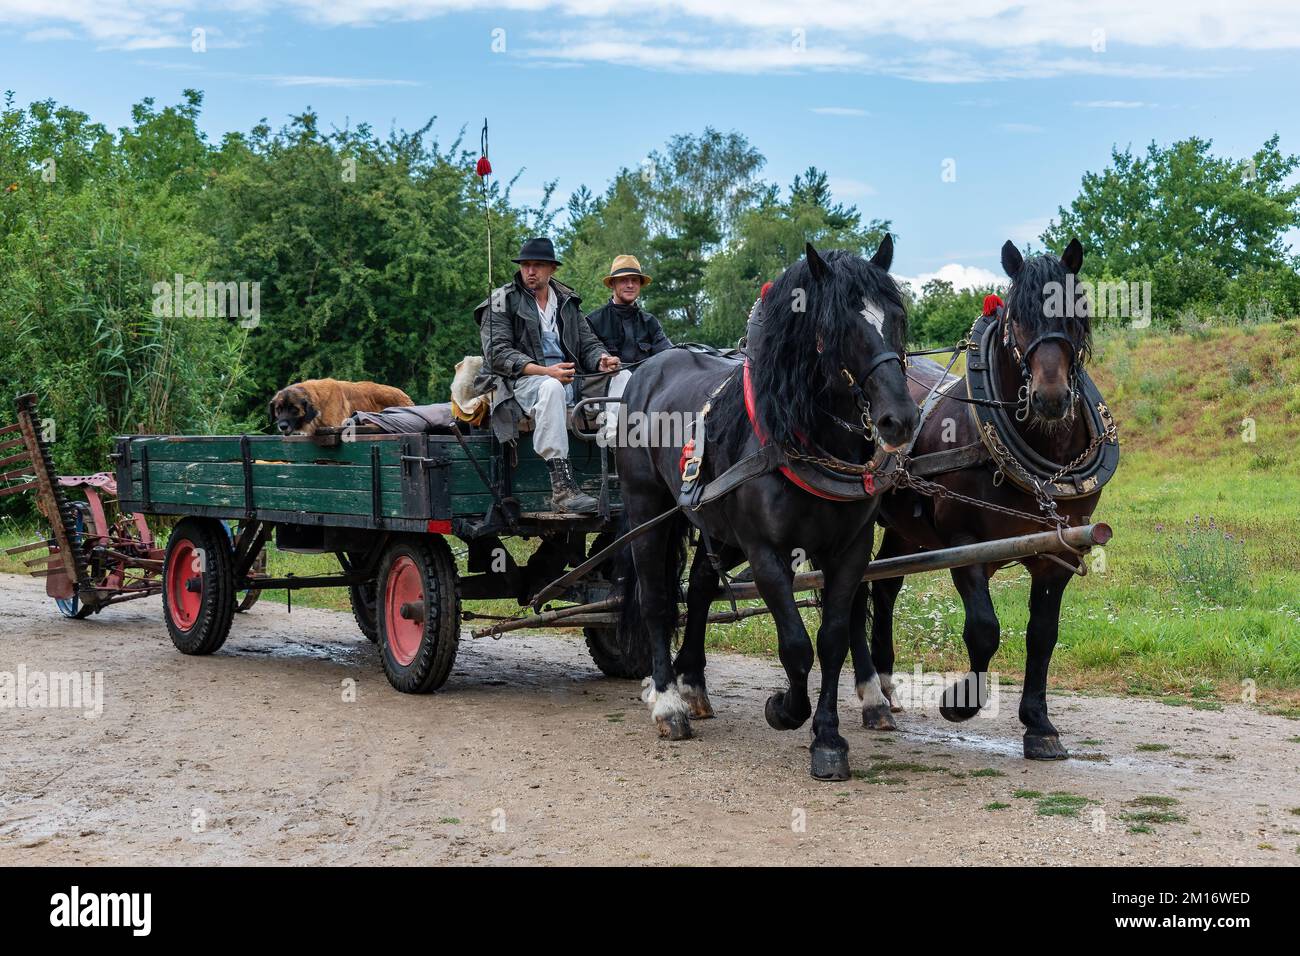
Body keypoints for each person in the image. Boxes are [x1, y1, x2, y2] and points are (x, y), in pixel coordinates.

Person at [474, 237, 626, 514]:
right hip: (522, 383)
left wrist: (602, 360)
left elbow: (588, 343)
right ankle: (563, 489)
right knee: (551, 388)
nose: (531, 271)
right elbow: (496, 354)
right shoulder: (500, 300)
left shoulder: (567, 301)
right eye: (526, 265)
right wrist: (546, 371)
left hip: (570, 380)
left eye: (538, 265)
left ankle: (622, 462)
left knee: (624, 378)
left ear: (552, 269)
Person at [583, 255, 671, 446]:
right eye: (623, 280)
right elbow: (587, 356)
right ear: (612, 285)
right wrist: (605, 363)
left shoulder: (650, 322)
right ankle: (618, 448)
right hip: (604, 394)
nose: (630, 285)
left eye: (634, 280)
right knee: (621, 376)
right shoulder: (594, 321)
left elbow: (668, 355)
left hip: (645, 393)